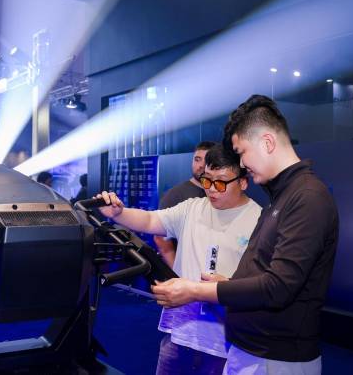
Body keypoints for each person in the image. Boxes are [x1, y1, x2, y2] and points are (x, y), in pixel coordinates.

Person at [152, 95, 339, 375]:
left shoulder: (307, 197)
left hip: (277, 358)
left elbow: (278, 287)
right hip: (253, 351)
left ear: (267, 142)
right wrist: (229, 283)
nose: (242, 162)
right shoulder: (282, 195)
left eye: (242, 152)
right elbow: (266, 272)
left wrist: (194, 290)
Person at [96, 144, 262, 375]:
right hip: (180, 333)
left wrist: (227, 286)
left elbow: (262, 286)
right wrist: (118, 213)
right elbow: (150, 220)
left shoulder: (259, 220)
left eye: (221, 182)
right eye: (207, 180)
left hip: (226, 342)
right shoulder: (192, 208)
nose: (212, 189)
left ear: (243, 182)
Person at [155, 141, 216, 267]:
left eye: (206, 160)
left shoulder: (219, 193)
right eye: (197, 160)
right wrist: (177, 271)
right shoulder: (175, 195)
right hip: (186, 272)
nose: (201, 165)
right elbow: (161, 239)